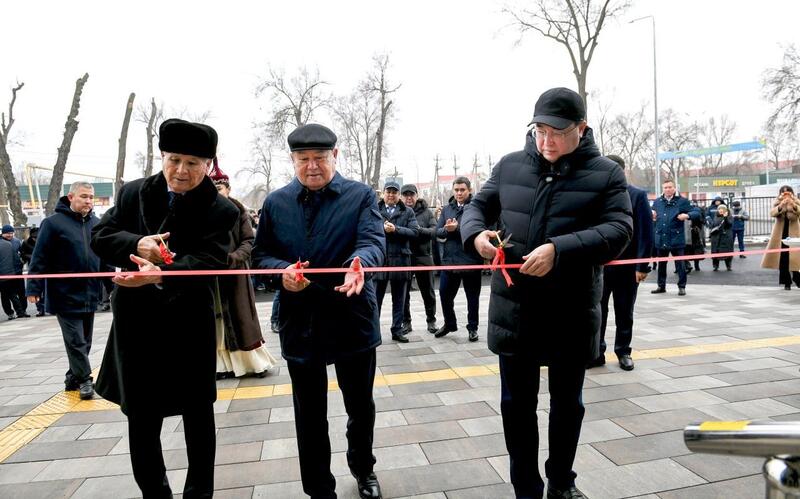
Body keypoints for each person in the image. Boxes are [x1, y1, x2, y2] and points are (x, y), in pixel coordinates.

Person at [462, 87, 632, 499]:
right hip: (514, 310)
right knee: (516, 407)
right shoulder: (510, 166)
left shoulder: (606, 173)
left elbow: (619, 229)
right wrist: (476, 235)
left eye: (557, 132)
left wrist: (560, 249)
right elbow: (476, 207)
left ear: (581, 129)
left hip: (570, 310)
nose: (546, 141)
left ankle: (561, 480)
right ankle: (526, 488)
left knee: (567, 405)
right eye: (540, 130)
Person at [91, 118, 239, 498]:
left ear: (208, 165)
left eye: (192, 163)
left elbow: (211, 260)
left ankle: (198, 493)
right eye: (174, 160)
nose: (181, 171)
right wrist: (137, 243)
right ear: (162, 157)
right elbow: (100, 236)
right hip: (137, 326)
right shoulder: (134, 194)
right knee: (141, 417)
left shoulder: (221, 210)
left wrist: (161, 275)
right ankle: (155, 492)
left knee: (198, 414)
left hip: (189, 324)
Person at [252, 123, 385, 499]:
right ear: (293, 160)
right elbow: (260, 256)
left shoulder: (360, 196)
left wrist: (360, 263)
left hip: (351, 312)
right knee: (309, 412)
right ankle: (318, 487)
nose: (312, 166)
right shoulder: (277, 203)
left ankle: (363, 468)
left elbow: (373, 241)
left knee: (360, 405)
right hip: (301, 318)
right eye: (303, 159)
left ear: (335, 156)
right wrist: (282, 273)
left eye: (320, 158)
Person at [27, 182, 104, 400]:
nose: (88, 201)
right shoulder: (52, 223)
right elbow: (39, 257)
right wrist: (33, 287)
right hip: (64, 294)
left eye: (91, 197)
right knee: (76, 340)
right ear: (71, 197)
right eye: (84, 196)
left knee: (85, 341)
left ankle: (73, 378)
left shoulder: (97, 224)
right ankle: (85, 380)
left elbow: (104, 257)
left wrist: (112, 285)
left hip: (90, 293)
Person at [209, 160, 277, 378]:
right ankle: (222, 365)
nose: (216, 192)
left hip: (235, 274)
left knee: (242, 320)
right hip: (211, 277)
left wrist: (234, 258)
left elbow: (248, 241)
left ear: (228, 189)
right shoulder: (202, 212)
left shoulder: (238, 211)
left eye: (219, 188)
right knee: (217, 321)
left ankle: (252, 364)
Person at [588, 155, 652, 372]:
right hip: (600, 267)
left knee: (624, 311)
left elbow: (645, 232)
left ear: (622, 171)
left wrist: (642, 266)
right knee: (598, 311)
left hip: (627, 267)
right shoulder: (597, 195)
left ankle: (623, 351)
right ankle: (597, 352)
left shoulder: (637, 195)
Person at [434, 176, 483, 342]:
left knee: (472, 297)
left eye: (462, 190)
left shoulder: (476, 208)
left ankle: (473, 327)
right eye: (456, 190)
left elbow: (478, 231)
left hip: (471, 259)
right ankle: (449, 323)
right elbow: (438, 231)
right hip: (450, 260)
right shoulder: (447, 209)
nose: (459, 193)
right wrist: (447, 230)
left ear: (469, 190)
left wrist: (456, 229)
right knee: (444, 293)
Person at [374, 180, 419, 343]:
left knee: (399, 299)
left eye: (394, 192)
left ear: (398, 195)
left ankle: (397, 330)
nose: (391, 195)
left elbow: (414, 232)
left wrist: (396, 229)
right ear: (383, 193)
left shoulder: (407, 211)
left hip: (400, 259)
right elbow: (368, 229)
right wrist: (382, 229)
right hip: (381, 260)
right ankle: (374, 331)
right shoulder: (374, 209)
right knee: (375, 299)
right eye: (388, 192)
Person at [651, 179, 701, 296]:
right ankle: (661, 286)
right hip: (661, 237)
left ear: (674, 188)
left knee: (680, 265)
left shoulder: (682, 201)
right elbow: (653, 215)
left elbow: (697, 212)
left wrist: (687, 215)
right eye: (665, 187)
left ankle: (682, 287)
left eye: (670, 187)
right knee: (661, 264)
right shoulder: (657, 202)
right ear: (663, 189)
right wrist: (652, 216)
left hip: (676, 238)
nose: (668, 189)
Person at [401, 184, 439, 335]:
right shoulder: (399, 211)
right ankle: (406, 322)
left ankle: (431, 320)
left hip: (423, 256)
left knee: (428, 291)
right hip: (404, 256)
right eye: (406, 195)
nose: (409, 198)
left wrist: (418, 230)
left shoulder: (427, 212)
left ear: (417, 195)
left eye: (411, 194)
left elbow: (435, 231)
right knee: (404, 292)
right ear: (402, 197)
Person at [761, 185, 800, 290]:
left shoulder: (796, 201)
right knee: (782, 258)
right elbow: (772, 213)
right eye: (783, 192)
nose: (786, 194)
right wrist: (781, 205)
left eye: (788, 192)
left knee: (795, 257)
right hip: (780, 233)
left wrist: (793, 205)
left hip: (794, 233)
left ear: (792, 192)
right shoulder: (777, 202)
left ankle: (797, 278)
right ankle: (786, 282)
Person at [1, 226, 28, 318]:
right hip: (6, 273)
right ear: (3, 233)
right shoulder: (2, 243)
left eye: (11, 233)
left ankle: (23, 310)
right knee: (6, 295)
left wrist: (22, 262)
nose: (10, 235)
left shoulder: (16, 241)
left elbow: (23, 253)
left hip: (17, 271)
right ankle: (10, 313)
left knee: (21, 292)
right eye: (7, 233)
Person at [0, 235, 23, 321]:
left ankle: (10, 313)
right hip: (11, 274)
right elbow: (16, 258)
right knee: (13, 294)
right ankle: (20, 312)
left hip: (1, 275)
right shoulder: (9, 244)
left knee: (4, 296)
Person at [709, 204, 734, 271]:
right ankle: (715, 266)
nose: (721, 210)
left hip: (726, 237)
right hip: (716, 237)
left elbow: (729, 224)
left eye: (723, 209)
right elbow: (713, 226)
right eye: (719, 209)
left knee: (727, 251)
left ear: (726, 210)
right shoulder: (716, 216)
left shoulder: (729, 216)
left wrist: (725, 217)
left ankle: (728, 265)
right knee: (715, 251)